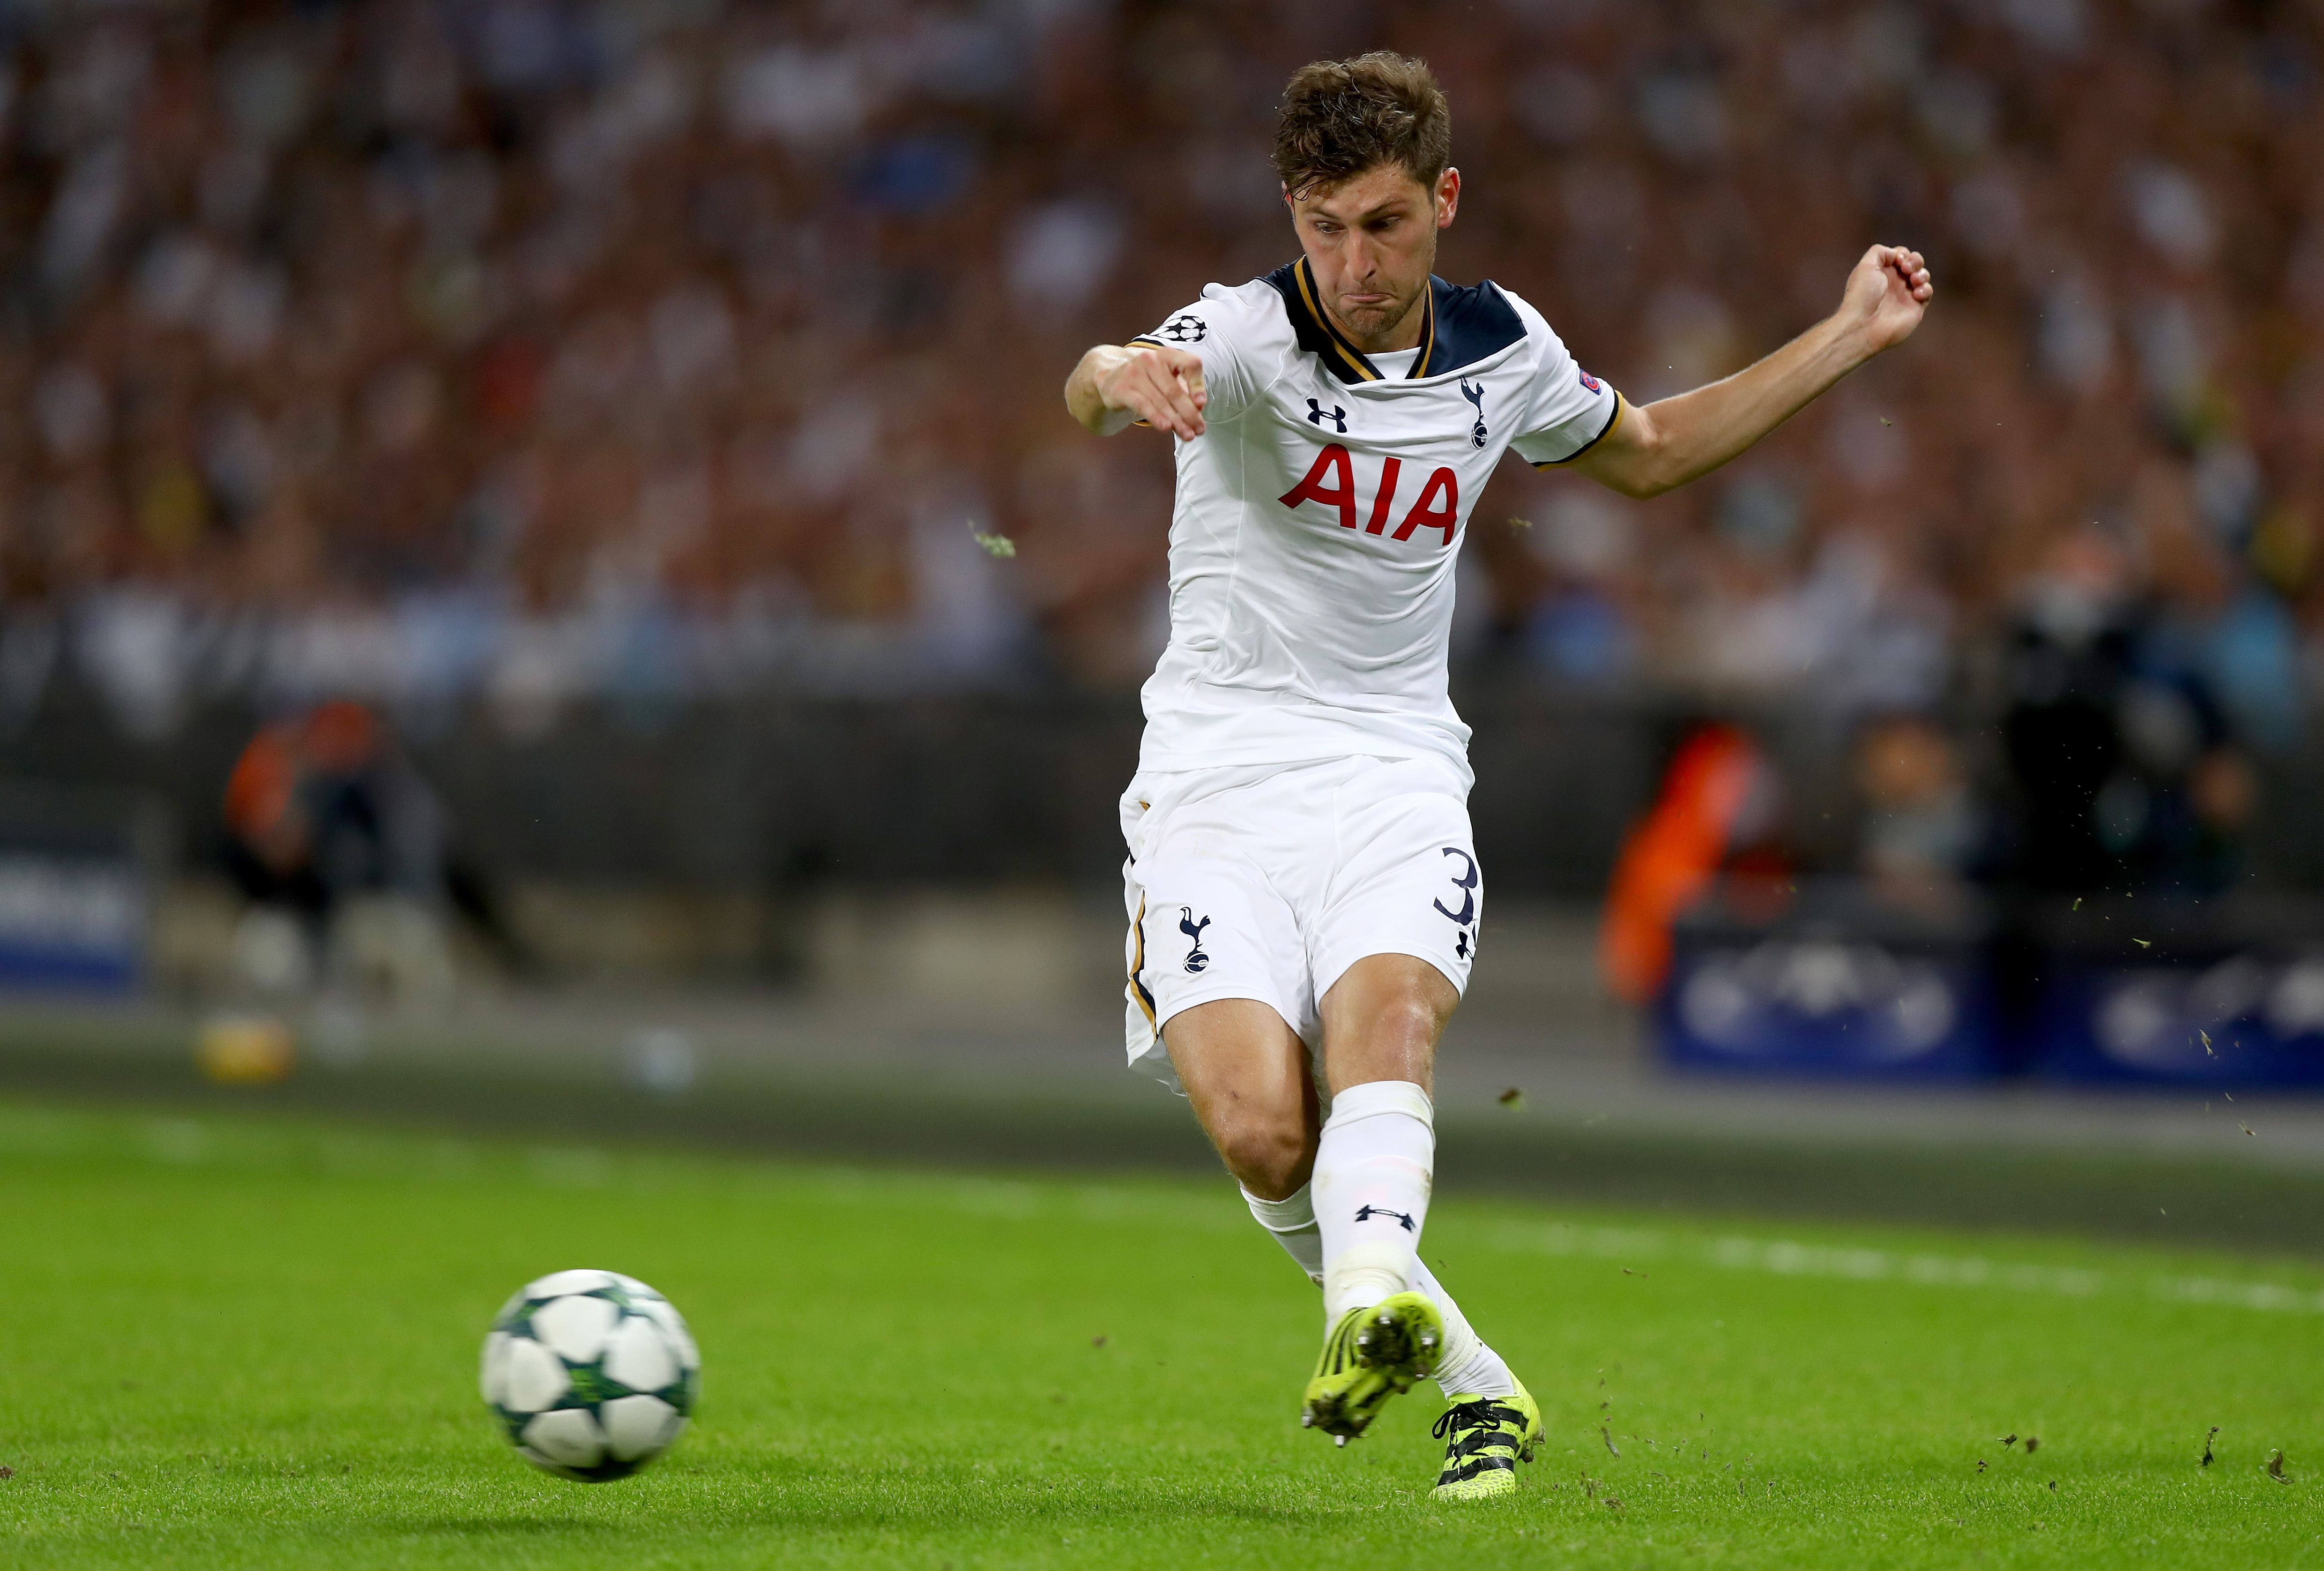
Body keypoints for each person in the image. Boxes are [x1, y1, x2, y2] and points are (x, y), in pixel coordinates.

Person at [1063, 52, 1932, 1501]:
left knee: (1388, 1030)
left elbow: (1647, 453)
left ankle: (1364, 1314)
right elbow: (1093, 386)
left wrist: (1846, 336)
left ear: (1446, 201)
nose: (1353, 262)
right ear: (1292, 210)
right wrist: (1119, 374)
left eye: (1386, 224)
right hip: (1213, 781)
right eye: (1326, 225)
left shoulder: (1506, 350)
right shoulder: (1236, 336)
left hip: (1397, 770)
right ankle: (1469, 1374)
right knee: (1267, 1128)